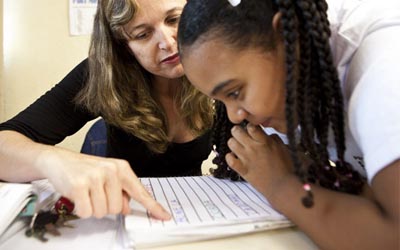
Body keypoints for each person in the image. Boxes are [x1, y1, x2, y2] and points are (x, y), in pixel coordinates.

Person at [177, 0, 400, 249]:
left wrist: (280, 185)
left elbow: (392, 237)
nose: (234, 116)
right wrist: (305, 170)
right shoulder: (284, 79)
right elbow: (368, 195)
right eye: (220, 101)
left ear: (285, 36)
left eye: (235, 91)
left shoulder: (386, 70)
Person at [0, 0, 214, 220]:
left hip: (199, 211)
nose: (168, 43)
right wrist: (50, 160)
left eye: (174, 20)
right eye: (142, 35)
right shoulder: (103, 74)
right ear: (124, 46)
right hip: (125, 215)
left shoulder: (223, 65)